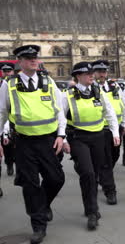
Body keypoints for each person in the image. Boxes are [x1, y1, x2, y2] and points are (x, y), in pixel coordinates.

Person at [0, 45, 66, 244]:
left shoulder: (48, 80)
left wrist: (61, 135)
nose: (33, 60)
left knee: (56, 178)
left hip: (48, 140)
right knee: (30, 185)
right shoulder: (9, 84)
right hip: (24, 142)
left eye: (35, 57)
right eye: (28, 58)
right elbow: (1, 113)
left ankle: (42, 205)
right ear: (19, 61)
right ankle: (38, 226)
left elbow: (60, 111)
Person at [61, 62, 120, 231]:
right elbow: (61, 118)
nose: (91, 75)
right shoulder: (68, 95)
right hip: (78, 138)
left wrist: (115, 133)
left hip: (98, 137)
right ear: (78, 76)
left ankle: (91, 207)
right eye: (87, 74)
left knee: (95, 173)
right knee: (87, 173)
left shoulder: (98, 91)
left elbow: (109, 112)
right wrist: (63, 139)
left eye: (91, 73)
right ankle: (92, 212)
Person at [93, 60, 125, 205]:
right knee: (106, 160)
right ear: (94, 73)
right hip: (100, 129)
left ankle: (101, 175)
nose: (102, 74)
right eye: (99, 72)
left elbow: (122, 104)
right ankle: (110, 191)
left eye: (104, 72)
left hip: (116, 128)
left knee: (115, 155)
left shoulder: (115, 87)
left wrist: (124, 123)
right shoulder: (91, 88)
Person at [1, 62, 16, 178]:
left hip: (12, 118)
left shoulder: (15, 84)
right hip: (2, 117)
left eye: (9, 71)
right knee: (7, 147)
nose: (6, 73)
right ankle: (9, 163)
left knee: (13, 146)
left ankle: (15, 164)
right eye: (4, 71)